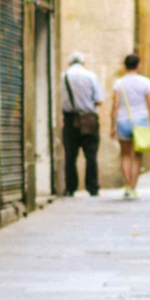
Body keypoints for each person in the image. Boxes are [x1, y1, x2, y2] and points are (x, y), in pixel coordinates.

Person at [108, 53, 150, 199]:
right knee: (137, 155)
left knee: (125, 154)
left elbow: (115, 106)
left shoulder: (119, 83)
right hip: (140, 121)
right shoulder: (146, 82)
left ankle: (127, 186)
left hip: (123, 121)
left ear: (125, 66)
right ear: (138, 65)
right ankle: (134, 187)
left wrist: (112, 126)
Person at [60, 52, 105, 197]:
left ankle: (70, 187)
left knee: (70, 155)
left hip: (70, 119)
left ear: (69, 62)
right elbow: (99, 99)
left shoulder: (63, 76)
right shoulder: (91, 76)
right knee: (91, 154)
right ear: (83, 62)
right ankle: (92, 187)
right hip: (88, 118)